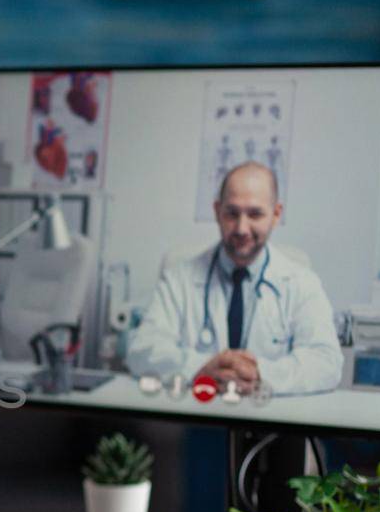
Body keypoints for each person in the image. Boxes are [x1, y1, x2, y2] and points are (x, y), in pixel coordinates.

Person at [125, 161, 343, 396]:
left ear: (276, 214)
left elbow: (326, 362)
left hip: (272, 423)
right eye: (232, 213)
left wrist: (260, 374)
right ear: (217, 211)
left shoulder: (301, 282)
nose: (241, 228)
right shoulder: (179, 277)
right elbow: (141, 350)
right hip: (197, 417)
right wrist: (200, 367)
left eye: (255, 214)